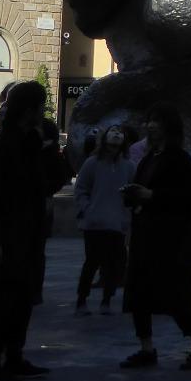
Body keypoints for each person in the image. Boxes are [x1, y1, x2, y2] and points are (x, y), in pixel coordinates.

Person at [0, 80, 51, 381]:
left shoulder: (30, 142)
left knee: (22, 299)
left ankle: (14, 356)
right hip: (7, 236)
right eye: (39, 107)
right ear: (29, 110)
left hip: (28, 234)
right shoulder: (0, 146)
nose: (42, 112)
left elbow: (48, 183)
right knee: (3, 301)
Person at [119, 104, 191, 371]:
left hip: (170, 240)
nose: (151, 125)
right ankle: (146, 347)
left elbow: (187, 197)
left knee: (177, 295)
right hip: (145, 236)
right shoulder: (147, 159)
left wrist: (152, 196)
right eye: (149, 120)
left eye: (157, 120)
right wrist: (133, 195)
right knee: (139, 294)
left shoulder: (179, 159)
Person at [73, 125, 135, 314]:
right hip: (95, 223)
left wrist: (127, 214)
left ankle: (107, 300)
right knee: (92, 262)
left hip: (117, 223)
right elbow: (81, 188)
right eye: (113, 130)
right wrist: (87, 209)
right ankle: (81, 300)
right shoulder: (92, 163)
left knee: (114, 264)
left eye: (120, 132)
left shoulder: (129, 166)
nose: (116, 134)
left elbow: (133, 191)